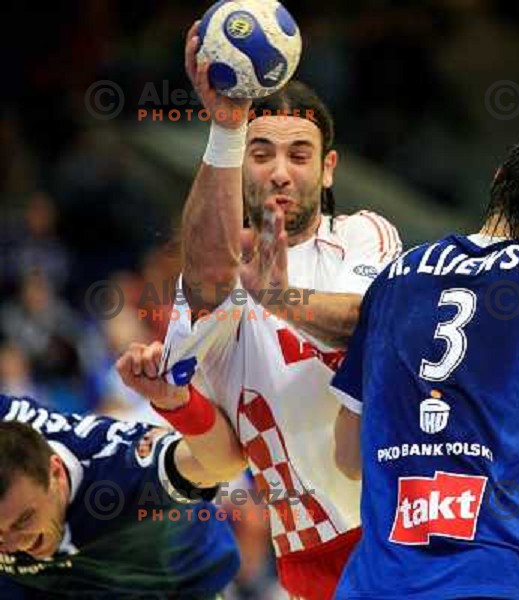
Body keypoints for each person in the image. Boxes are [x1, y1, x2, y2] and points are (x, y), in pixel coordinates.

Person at [124, 23, 401, 600]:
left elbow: (370, 324)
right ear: (239, 167)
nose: (280, 171)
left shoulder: (364, 235)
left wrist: (281, 299)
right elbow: (226, 461)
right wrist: (178, 405)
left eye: (299, 154)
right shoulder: (210, 291)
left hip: (401, 526)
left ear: (327, 170)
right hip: (309, 558)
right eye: (260, 152)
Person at [331, 128, 519, 599]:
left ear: (497, 180)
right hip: (513, 575)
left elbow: (348, 456)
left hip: (384, 581)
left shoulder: (395, 279)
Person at [0, 348, 244, 600]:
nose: (12, 545)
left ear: (56, 473)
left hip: (171, 580)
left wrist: (181, 404)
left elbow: (226, 462)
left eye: (24, 519)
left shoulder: (120, 468)